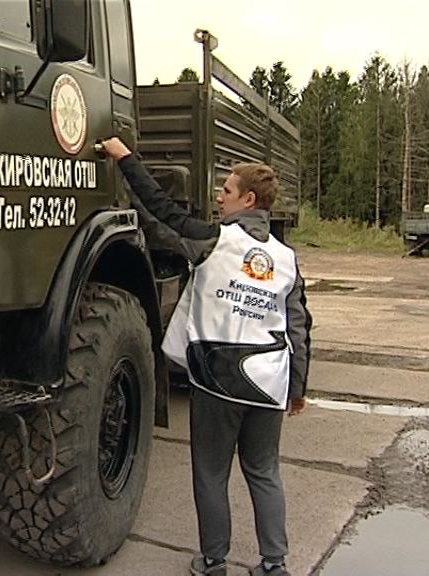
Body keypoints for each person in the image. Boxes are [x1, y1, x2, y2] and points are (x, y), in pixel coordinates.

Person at [101, 137, 312, 576]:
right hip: (268, 381)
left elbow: (161, 210)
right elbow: (298, 327)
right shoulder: (286, 258)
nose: (219, 196)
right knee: (264, 471)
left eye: (227, 191)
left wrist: (125, 159)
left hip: (218, 379)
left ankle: (214, 562)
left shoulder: (214, 240)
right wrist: (298, 387)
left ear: (247, 200)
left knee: (212, 472)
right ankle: (274, 564)